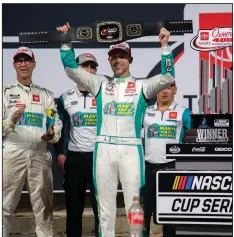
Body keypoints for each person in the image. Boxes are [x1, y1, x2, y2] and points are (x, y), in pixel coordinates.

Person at [56, 22, 175, 237]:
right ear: (109, 60)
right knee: (105, 210)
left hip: (131, 150)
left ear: (130, 59)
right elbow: (71, 70)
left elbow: (167, 77)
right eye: (113, 56)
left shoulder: (142, 86)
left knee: (134, 206)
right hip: (104, 149)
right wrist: (66, 42)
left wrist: (165, 46)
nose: (117, 59)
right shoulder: (99, 83)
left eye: (122, 56)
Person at [3, 46, 62, 237]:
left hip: (39, 153)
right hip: (12, 152)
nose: (23, 64)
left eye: (27, 60)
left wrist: (52, 135)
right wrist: (11, 120)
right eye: (19, 60)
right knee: (4, 206)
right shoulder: (5, 93)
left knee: (44, 208)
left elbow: (56, 125)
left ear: (34, 64)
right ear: (14, 65)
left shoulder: (46, 95)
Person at [142, 69, 192, 236]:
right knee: (145, 214)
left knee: (169, 216)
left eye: (169, 87)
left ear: (175, 90)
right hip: (147, 168)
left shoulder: (183, 112)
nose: (164, 91)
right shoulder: (145, 112)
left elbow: (196, 136)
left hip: (171, 169)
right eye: (161, 87)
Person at [54, 53, 99, 237]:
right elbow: (60, 128)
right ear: (77, 70)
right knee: (74, 211)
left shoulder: (104, 94)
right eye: (84, 66)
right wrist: (60, 153)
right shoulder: (66, 97)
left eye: (92, 67)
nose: (88, 70)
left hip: (99, 159)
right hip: (75, 159)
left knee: (102, 211)